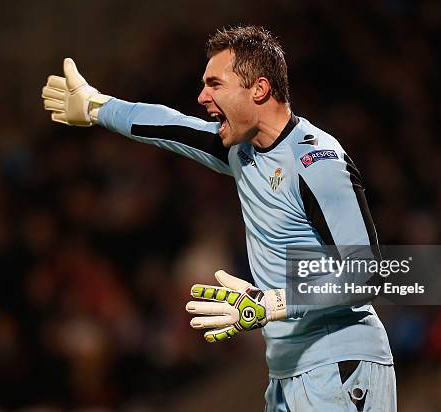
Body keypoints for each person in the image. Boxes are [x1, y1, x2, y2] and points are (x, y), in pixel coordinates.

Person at [42, 25, 396, 411]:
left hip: (340, 367)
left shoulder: (316, 161)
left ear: (258, 89)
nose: (202, 97)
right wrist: (96, 106)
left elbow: (368, 274)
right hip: (287, 371)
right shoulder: (242, 151)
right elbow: (171, 125)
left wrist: (272, 303)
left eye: (215, 84)